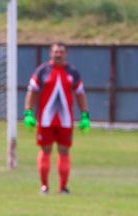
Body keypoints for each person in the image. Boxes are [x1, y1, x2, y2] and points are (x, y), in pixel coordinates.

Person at [23, 42, 90, 195]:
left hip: (65, 120)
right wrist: (28, 112)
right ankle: (44, 186)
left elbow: (80, 94)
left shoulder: (72, 72)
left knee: (64, 151)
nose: (58, 54)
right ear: (50, 53)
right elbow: (32, 91)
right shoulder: (42, 71)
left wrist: (85, 114)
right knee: (45, 149)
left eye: (61, 51)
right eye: (55, 51)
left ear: (66, 54)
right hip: (46, 119)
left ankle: (63, 187)